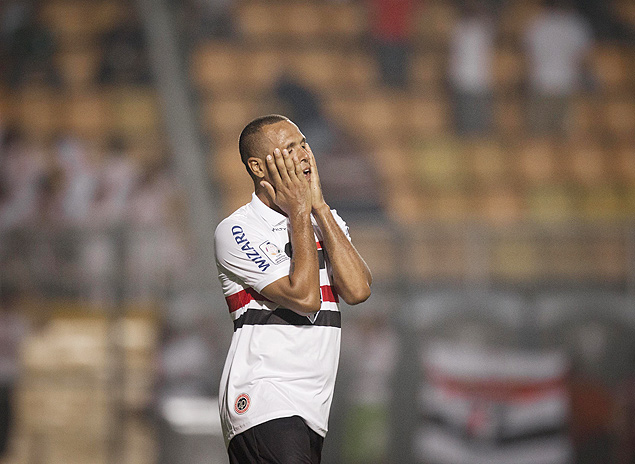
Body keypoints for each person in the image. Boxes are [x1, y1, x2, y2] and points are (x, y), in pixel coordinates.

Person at [214, 114, 372, 463]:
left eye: (303, 144)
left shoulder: (324, 220)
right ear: (258, 167)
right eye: (289, 148)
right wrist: (300, 211)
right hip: (264, 396)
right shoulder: (238, 229)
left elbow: (358, 289)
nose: (303, 155)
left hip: (310, 407)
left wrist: (317, 207)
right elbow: (304, 298)